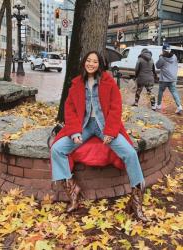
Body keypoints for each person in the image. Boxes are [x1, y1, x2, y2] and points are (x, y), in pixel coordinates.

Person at [50, 51, 147, 222]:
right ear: (84, 63)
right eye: (88, 60)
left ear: (100, 65)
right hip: (84, 126)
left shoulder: (109, 82)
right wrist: (74, 132)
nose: (91, 64)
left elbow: (116, 109)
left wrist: (110, 132)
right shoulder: (76, 84)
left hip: (105, 126)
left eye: (95, 61)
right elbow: (70, 109)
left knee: (130, 153)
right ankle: (72, 191)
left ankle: (136, 201)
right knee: (57, 148)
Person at [156, 44, 182, 114]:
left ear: (163, 50)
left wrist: (160, 56)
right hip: (173, 78)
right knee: (174, 92)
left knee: (160, 91)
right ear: (170, 50)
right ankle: (179, 107)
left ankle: (158, 105)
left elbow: (157, 66)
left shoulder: (162, 58)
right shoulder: (174, 57)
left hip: (164, 79)